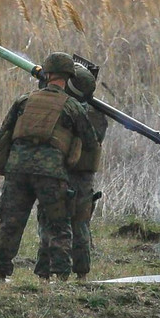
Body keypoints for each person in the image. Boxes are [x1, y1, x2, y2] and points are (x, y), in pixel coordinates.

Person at [0, 52, 98, 281]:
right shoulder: (72, 106)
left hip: (17, 169)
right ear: (69, 78)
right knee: (57, 225)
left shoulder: (24, 100)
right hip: (50, 173)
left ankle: (0, 272)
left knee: (10, 223)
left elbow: (4, 133)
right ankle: (61, 276)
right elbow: (90, 141)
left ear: (46, 74)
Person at [35, 64, 108, 281]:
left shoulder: (67, 110)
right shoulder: (97, 115)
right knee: (81, 225)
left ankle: (46, 274)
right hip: (84, 178)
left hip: (60, 173)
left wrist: (47, 87)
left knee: (51, 222)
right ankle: (81, 273)